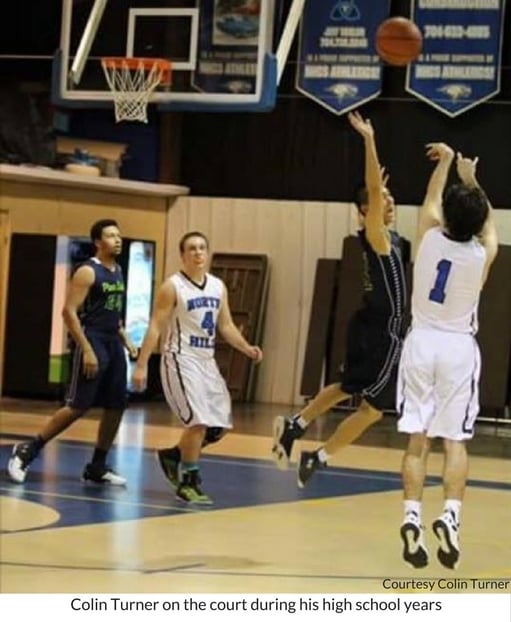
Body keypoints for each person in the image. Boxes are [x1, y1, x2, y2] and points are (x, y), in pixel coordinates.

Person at [272, 111, 408, 488]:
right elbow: (371, 188)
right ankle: (318, 454)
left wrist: (376, 188)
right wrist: (368, 141)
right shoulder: (377, 237)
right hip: (383, 332)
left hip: (371, 325)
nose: (389, 202)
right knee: (373, 409)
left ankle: (296, 428)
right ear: (366, 212)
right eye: (382, 200)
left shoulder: (389, 238)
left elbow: (375, 191)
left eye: (390, 197)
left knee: (348, 388)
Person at [397, 144, 498, 571]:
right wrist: (471, 177)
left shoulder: (429, 238)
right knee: (455, 440)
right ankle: (451, 519)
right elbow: (489, 225)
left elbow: (430, 202)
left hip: (421, 343)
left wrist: (443, 165)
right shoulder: (481, 254)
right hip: (458, 349)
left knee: (416, 439)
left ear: (446, 219)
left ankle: (411, 518)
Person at [132, 231, 263, 505]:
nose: (198, 253)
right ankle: (187, 481)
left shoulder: (217, 286)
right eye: (191, 248)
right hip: (180, 359)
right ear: (183, 255)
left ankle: (173, 456)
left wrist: (246, 347)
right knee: (198, 421)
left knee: (220, 425)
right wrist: (142, 364)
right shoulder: (173, 286)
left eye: (202, 248)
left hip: (206, 361)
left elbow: (225, 325)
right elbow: (155, 325)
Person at [7, 219, 137, 485]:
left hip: (113, 343)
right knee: (78, 405)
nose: (117, 239)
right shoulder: (88, 271)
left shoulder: (118, 270)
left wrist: (125, 339)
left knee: (117, 405)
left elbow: (112, 312)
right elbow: (68, 312)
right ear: (98, 242)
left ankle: (97, 466)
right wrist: (87, 350)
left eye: (119, 235)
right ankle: (27, 450)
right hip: (93, 341)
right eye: (111, 236)